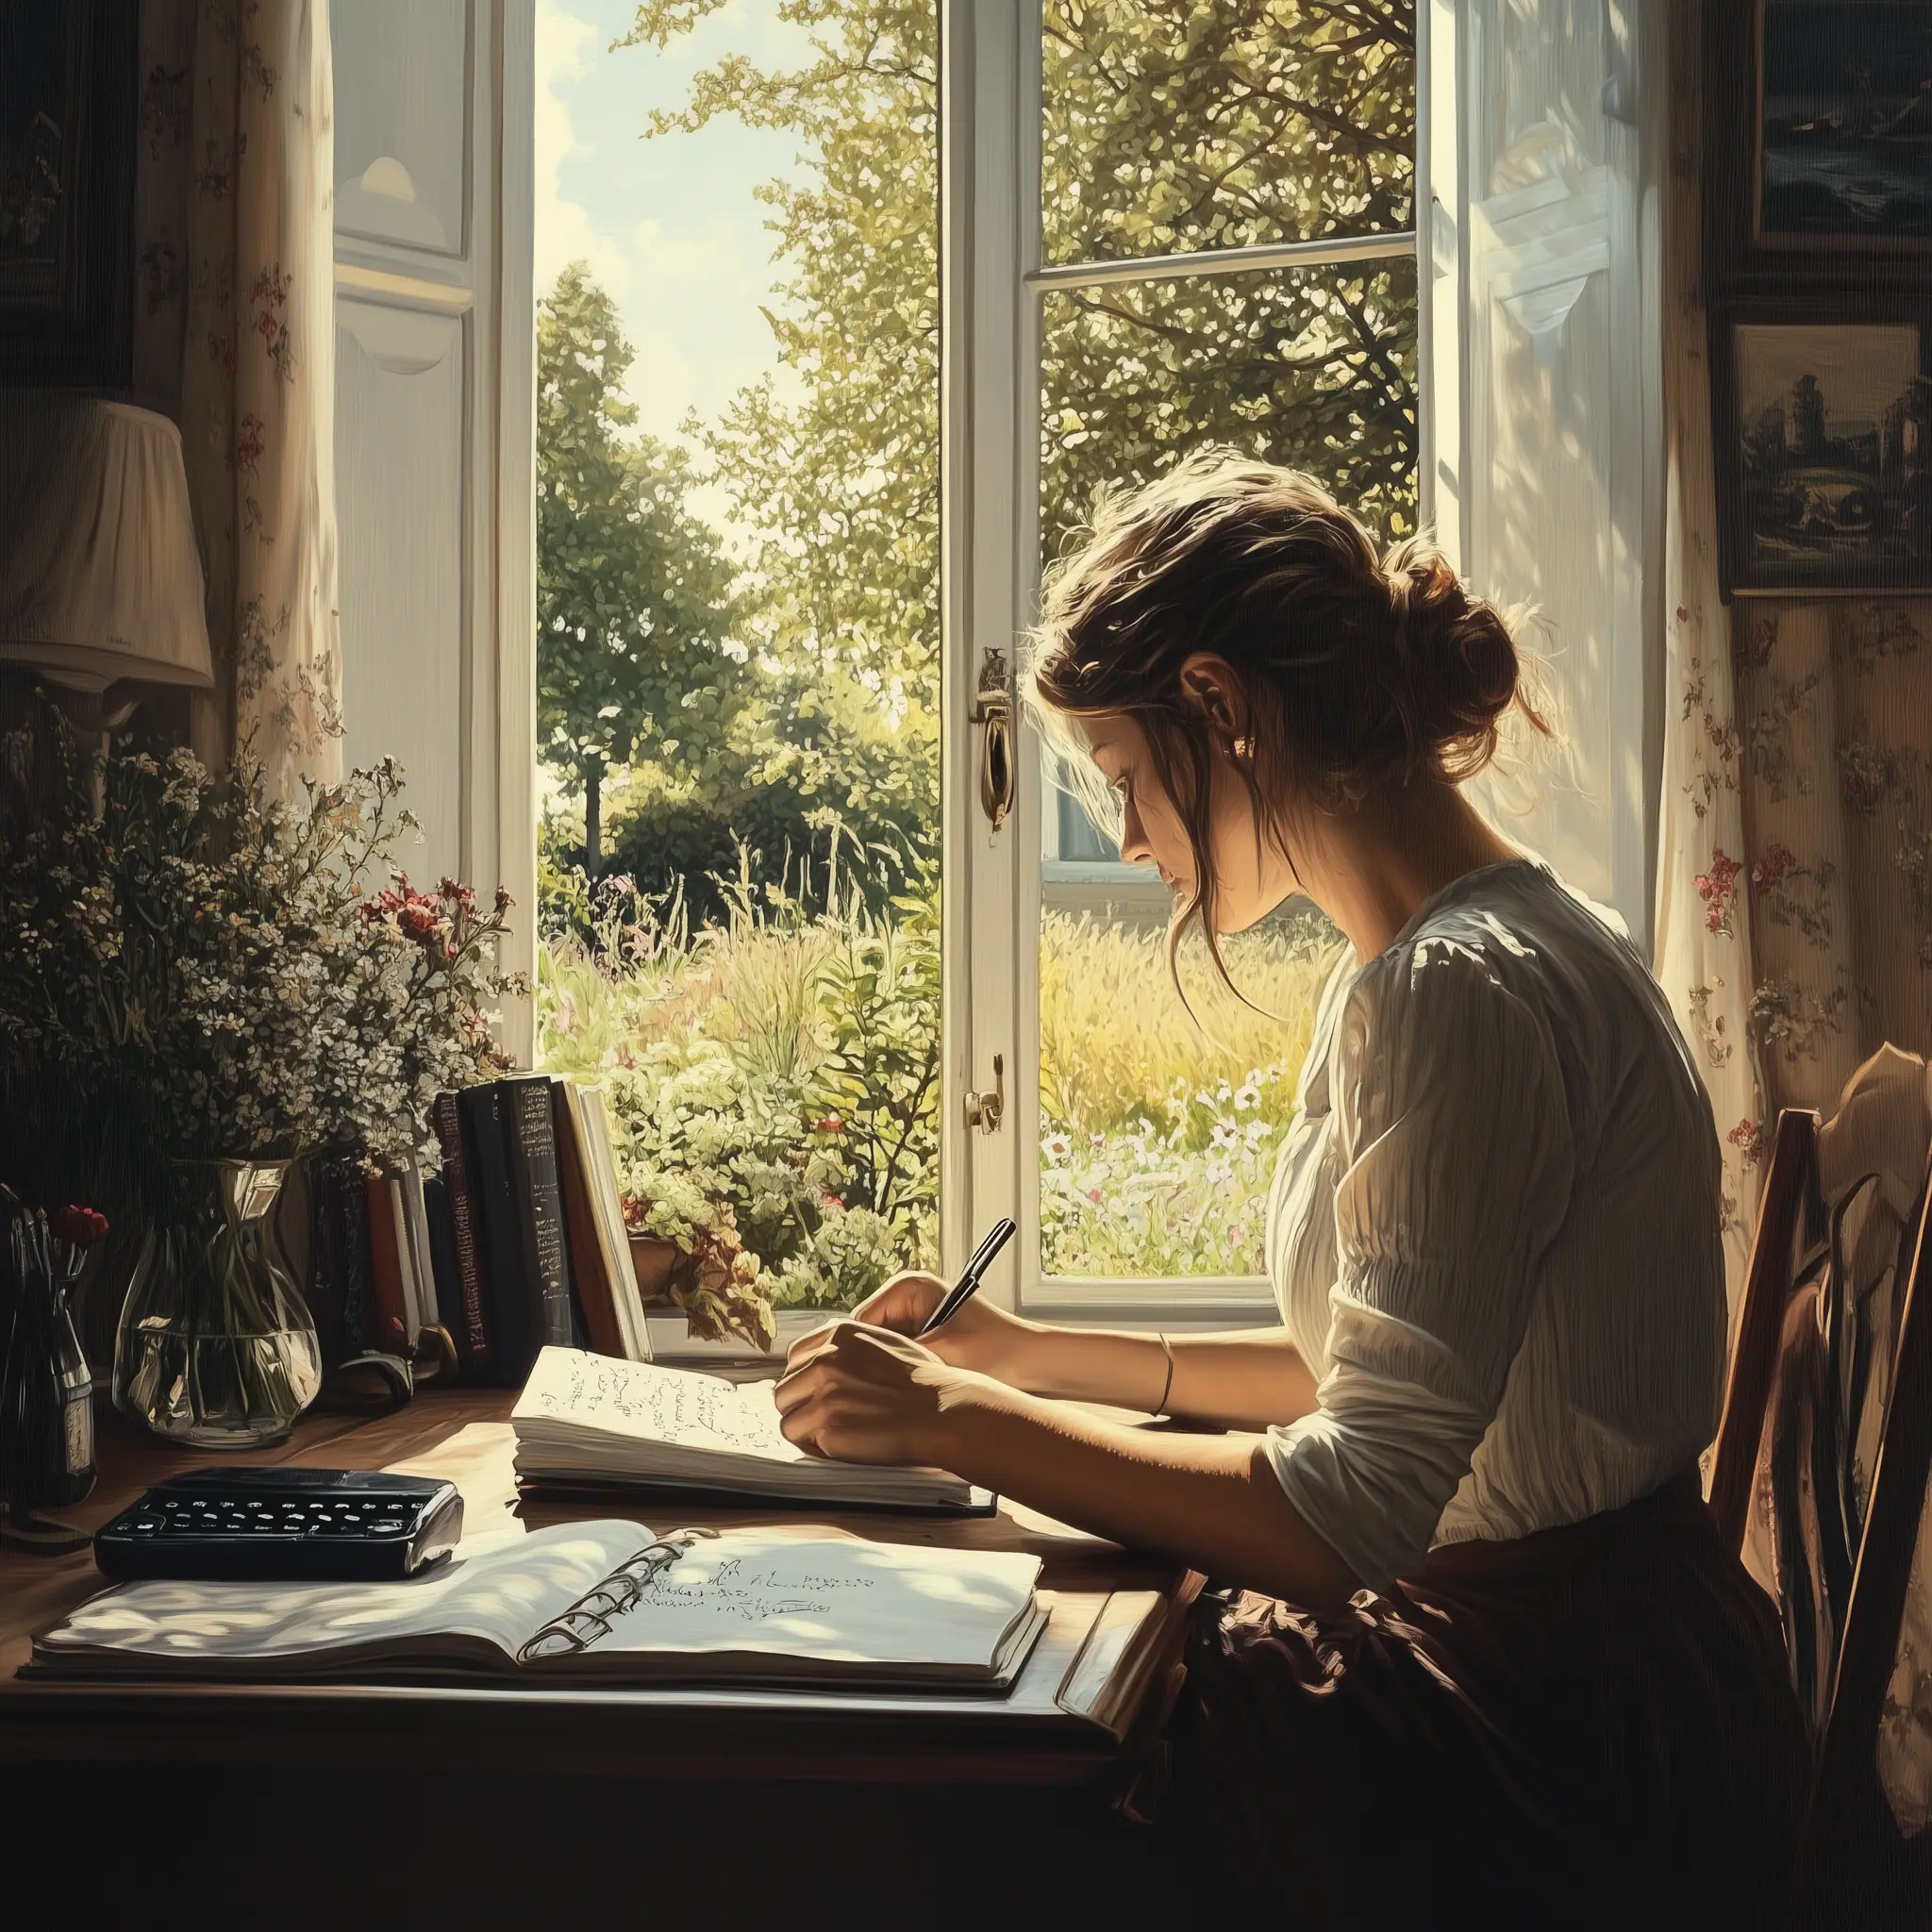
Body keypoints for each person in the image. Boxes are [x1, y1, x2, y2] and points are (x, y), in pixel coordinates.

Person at [774, 453, 1807, 1925]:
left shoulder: (1455, 994)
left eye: (1127, 781)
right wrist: (1023, 1354)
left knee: (957, 1815)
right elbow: (1373, 1374)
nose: (1128, 841)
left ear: (1221, 704)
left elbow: (1355, 1507)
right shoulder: (1452, 951)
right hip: (1604, 1660)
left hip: (1559, 1735)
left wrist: (956, 1419)